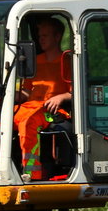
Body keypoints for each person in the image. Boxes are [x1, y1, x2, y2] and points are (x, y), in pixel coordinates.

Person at [14, 17, 72, 180]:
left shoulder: (67, 61)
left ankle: (31, 173)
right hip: (29, 107)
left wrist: (60, 97)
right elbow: (26, 92)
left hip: (53, 112)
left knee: (28, 123)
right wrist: (11, 97)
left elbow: (74, 92)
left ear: (57, 36)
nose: (41, 39)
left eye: (45, 35)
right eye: (40, 36)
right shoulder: (35, 62)